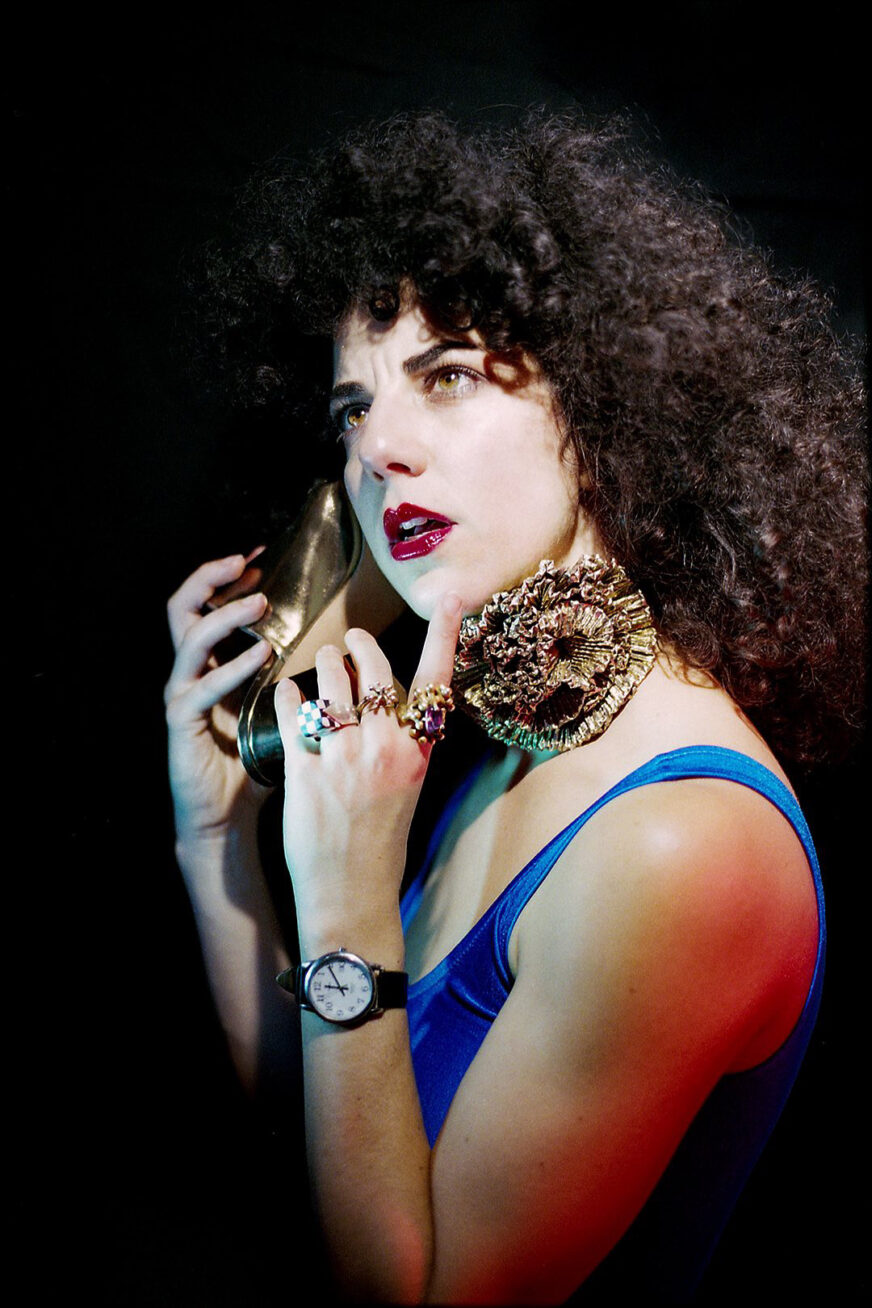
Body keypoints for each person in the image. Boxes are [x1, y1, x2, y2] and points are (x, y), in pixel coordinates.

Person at [165, 111, 865, 1303]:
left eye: (446, 379)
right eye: (352, 409)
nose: (378, 447)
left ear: (597, 412)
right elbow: (335, 1153)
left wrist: (342, 901)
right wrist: (218, 834)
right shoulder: (507, 749)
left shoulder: (679, 842)